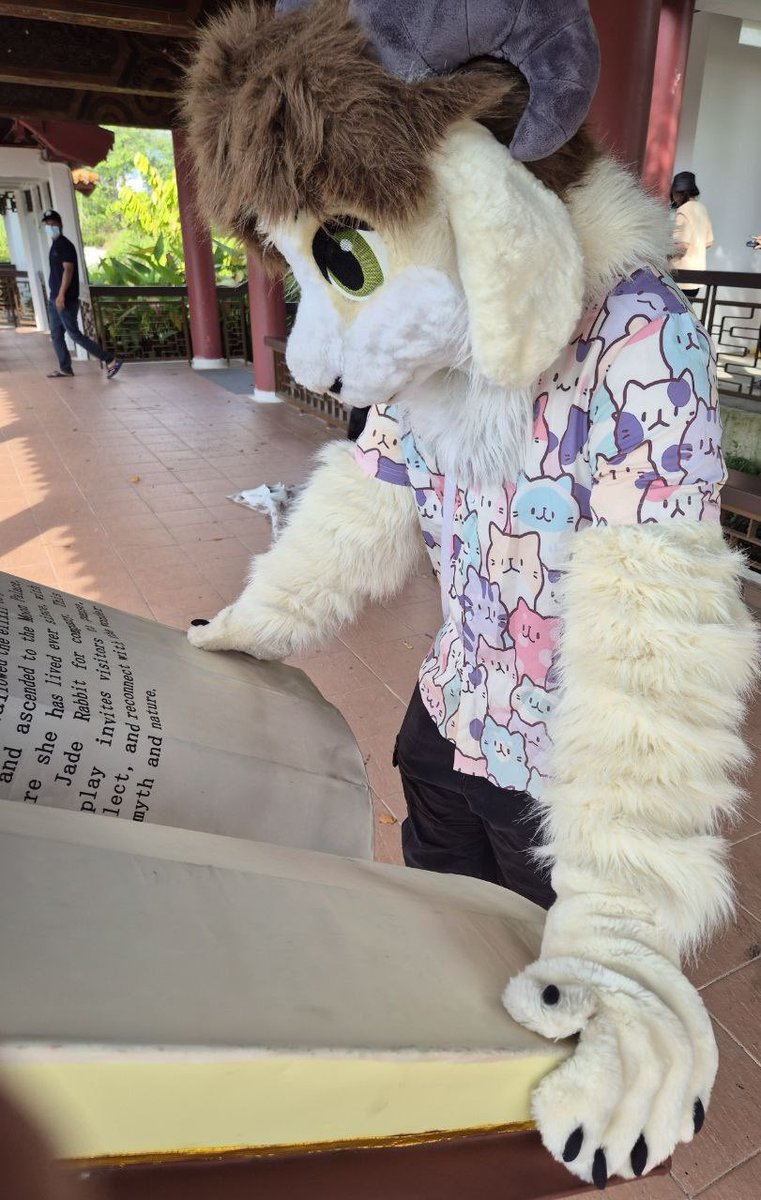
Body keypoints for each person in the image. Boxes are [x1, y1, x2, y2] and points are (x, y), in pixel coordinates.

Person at [41, 209, 123, 380]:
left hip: (64, 299)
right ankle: (65, 368)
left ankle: (111, 360)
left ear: (60, 225)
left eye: (53, 224)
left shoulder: (65, 245)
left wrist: (62, 295)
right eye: (47, 225)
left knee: (74, 334)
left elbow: (68, 270)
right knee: (56, 334)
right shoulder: (55, 246)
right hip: (54, 298)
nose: (50, 228)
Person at [669, 171, 713, 298]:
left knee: (672, 313)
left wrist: (663, 253)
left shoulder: (683, 210)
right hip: (697, 275)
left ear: (679, 193)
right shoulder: (702, 209)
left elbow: (681, 245)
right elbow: (709, 242)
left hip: (681, 275)